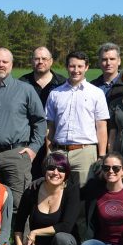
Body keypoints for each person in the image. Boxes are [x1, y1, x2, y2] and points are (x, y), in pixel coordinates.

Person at [0, 47, 46, 198]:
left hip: (16, 156)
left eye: (5, 61)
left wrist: (33, 148)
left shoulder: (25, 90)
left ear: (11, 64)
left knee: (18, 204)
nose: (1, 65)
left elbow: (39, 121)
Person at [44, 51, 109, 187]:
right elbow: (50, 126)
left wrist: (102, 156)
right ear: (67, 67)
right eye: (72, 66)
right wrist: (49, 152)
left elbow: (101, 126)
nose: (76, 70)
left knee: (83, 195)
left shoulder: (96, 93)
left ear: (86, 67)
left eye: (80, 66)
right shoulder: (55, 94)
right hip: (59, 151)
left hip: (85, 153)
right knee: (57, 193)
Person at [13, 152, 79, 245]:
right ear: (44, 170)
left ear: (66, 173)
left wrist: (35, 232)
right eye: (51, 168)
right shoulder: (32, 190)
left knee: (62, 238)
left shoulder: (71, 191)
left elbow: (66, 226)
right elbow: (19, 224)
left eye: (61, 169)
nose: (55, 172)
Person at [19, 46, 65, 179]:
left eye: (44, 58)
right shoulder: (22, 83)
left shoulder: (62, 83)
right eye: (36, 58)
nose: (40, 61)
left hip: (54, 139)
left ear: (51, 61)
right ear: (31, 61)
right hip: (28, 140)